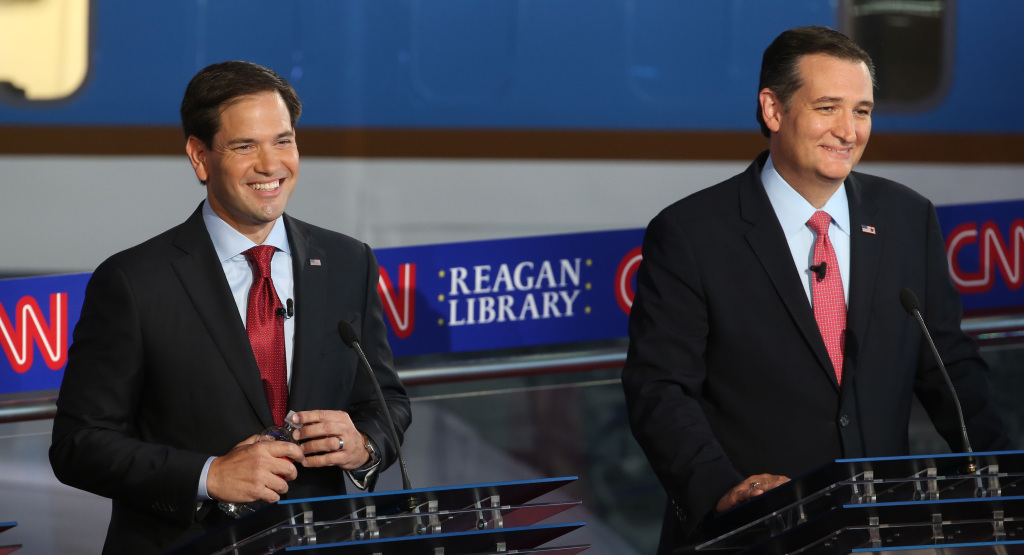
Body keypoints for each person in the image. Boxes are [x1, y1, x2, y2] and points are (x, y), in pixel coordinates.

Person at [621, 26, 1013, 553]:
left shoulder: (906, 218)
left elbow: (951, 367)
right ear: (773, 110)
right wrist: (725, 489)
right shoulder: (692, 232)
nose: (849, 131)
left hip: (876, 534)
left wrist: (1004, 476)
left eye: (863, 110)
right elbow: (659, 388)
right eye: (828, 107)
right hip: (751, 534)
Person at [49, 61, 411, 554]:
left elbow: (385, 403)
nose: (271, 164)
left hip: (317, 540)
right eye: (245, 146)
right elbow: (79, 445)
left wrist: (363, 444)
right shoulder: (134, 281)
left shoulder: (349, 261)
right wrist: (209, 475)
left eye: (283, 141)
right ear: (200, 157)